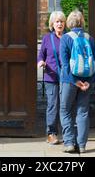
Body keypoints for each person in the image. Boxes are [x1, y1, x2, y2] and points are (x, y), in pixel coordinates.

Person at [60, 10, 95, 153]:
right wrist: (88, 81)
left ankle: (69, 143)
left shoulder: (66, 38)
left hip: (69, 81)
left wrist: (74, 81)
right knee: (82, 112)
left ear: (69, 22)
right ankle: (82, 145)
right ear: (82, 22)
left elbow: (64, 64)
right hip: (86, 81)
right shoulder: (90, 38)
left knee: (65, 110)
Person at [37, 11, 66, 145]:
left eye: (61, 21)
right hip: (51, 77)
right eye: (57, 21)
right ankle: (51, 133)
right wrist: (40, 62)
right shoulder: (47, 38)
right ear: (52, 24)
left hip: (67, 78)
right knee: (53, 105)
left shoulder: (68, 38)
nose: (59, 24)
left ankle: (68, 133)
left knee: (66, 106)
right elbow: (41, 55)